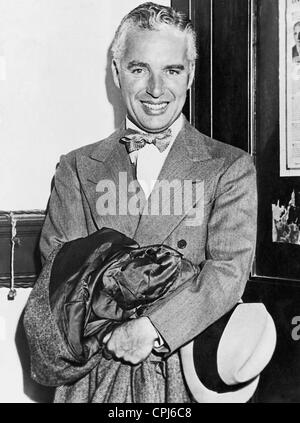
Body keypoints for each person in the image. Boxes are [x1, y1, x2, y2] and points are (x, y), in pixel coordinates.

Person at [25, 2, 257, 402]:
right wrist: (177, 275)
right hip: (93, 380)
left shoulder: (231, 167)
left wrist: (152, 326)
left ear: (191, 75)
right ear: (117, 73)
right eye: (139, 69)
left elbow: (226, 274)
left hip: (183, 377)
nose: (155, 89)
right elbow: (63, 278)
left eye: (172, 70)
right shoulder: (77, 168)